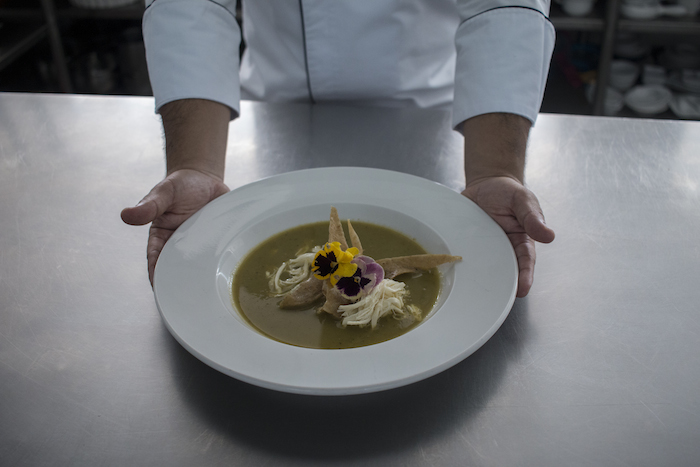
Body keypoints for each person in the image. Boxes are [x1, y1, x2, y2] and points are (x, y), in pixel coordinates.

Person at [121, 0, 556, 297]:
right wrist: (194, 163)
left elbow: (503, 6)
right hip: (274, 104)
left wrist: (495, 169)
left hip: (427, 114)